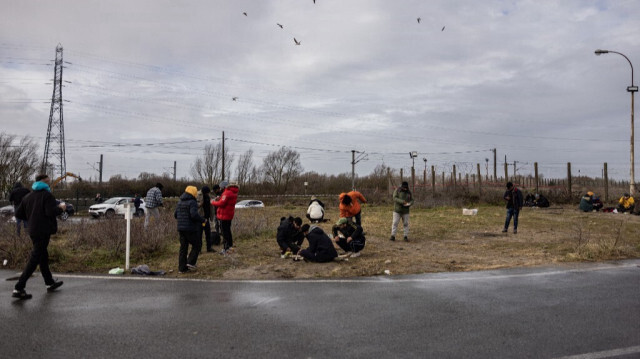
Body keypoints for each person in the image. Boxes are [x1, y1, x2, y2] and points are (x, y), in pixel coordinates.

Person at [12, 174, 65, 300]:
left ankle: (49, 282)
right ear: (42, 182)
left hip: (33, 230)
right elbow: (50, 212)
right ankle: (19, 287)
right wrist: (61, 208)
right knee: (35, 258)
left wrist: (31, 219)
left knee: (42, 256)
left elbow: (18, 213)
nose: (49, 184)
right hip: (43, 230)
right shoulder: (47, 195)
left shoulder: (28, 196)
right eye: (47, 182)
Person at [174, 186, 206, 273]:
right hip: (190, 228)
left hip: (181, 228)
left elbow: (175, 215)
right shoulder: (192, 202)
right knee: (197, 244)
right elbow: (194, 215)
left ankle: (182, 268)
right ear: (193, 193)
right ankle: (191, 262)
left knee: (183, 248)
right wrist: (203, 220)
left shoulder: (180, 201)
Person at [211, 181, 239, 255]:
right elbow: (225, 201)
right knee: (228, 231)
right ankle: (230, 246)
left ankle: (226, 248)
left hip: (224, 215)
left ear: (224, 187)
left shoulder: (227, 193)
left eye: (220, 187)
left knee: (224, 232)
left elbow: (222, 204)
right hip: (229, 215)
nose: (220, 189)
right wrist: (220, 199)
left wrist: (213, 202)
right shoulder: (233, 192)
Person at [200, 186, 214, 252]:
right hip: (201, 219)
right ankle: (199, 249)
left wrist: (211, 217)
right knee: (199, 234)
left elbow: (211, 207)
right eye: (207, 193)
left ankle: (209, 248)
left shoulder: (209, 197)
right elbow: (197, 206)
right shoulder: (199, 197)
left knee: (208, 234)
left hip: (207, 219)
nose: (208, 194)